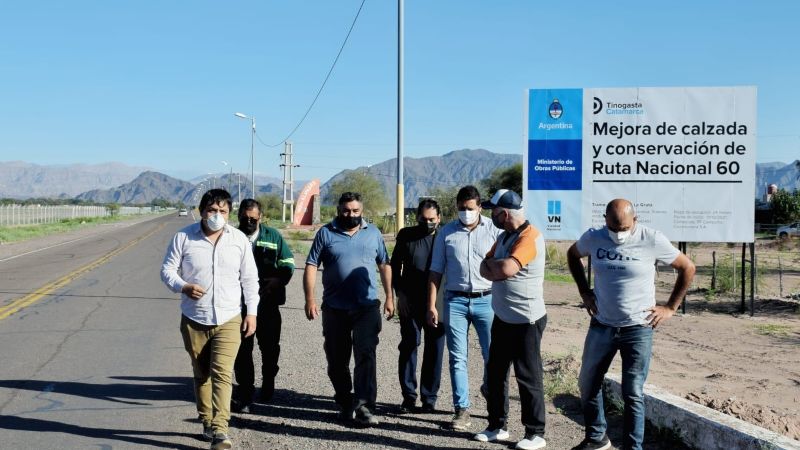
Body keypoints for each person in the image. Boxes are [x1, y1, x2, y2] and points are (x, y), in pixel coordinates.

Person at [566, 199, 695, 450]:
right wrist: (584, 290)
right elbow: (573, 255)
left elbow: (687, 267)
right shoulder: (594, 237)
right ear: (605, 220)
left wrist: (670, 308)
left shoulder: (651, 238)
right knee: (588, 382)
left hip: (638, 327)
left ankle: (633, 447)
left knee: (632, 392)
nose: (618, 234)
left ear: (634, 220)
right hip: (602, 324)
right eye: (613, 228)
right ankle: (596, 438)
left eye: (624, 229)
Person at [160, 188, 259, 450]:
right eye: (212, 210)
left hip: (229, 318)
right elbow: (167, 270)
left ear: (229, 213)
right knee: (201, 373)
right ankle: (206, 419)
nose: (217, 215)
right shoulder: (184, 237)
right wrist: (183, 286)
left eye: (223, 211)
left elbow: (250, 279)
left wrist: (251, 313)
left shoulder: (238, 240)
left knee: (222, 374)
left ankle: (220, 430)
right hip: (194, 318)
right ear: (202, 211)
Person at [303, 192, 395, 427]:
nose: (351, 215)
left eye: (355, 211)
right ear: (338, 210)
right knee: (336, 359)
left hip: (366, 307)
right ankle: (345, 401)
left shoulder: (373, 233)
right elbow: (312, 265)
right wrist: (309, 299)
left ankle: (364, 406)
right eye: (346, 211)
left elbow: (384, 264)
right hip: (334, 308)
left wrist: (389, 297)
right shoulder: (326, 233)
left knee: (365, 355)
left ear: (361, 210)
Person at [475, 189, 548, 450]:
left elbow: (506, 269)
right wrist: (493, 267)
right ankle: (497, 426)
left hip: (526, 320)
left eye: (492, 210)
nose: (489, 215)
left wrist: (495, 267)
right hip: (504, 318)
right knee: (495, 374)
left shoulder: (529, 237)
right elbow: (484, 265)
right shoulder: (505, 236)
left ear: (504, 213)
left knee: (528, 377)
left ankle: (535, 433)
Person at [426, 185, 501, 431]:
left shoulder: (494, 230)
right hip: (455, 301)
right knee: (458, 357)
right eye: (461, 208)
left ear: (480, 207)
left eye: (469, 208)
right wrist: (432, 306)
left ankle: (493, 397)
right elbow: (436, 271)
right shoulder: (447, 233)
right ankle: (462, 410)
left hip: (487, 300)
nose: (465, 213)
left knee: (493, 356)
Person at [231, 198, 295, 413]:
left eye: (253, 218)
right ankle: (245, 392)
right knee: (242, 351)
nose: (249, 221)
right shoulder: (232, 237)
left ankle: (268, 383)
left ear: (261, 217)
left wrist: (279, 280)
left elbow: (288, 263)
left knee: (269, 348)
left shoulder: (273, 236)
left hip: (268, 304)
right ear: (238, 216)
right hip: (239, 305)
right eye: (245, 217)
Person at [391, 198, 445, 414]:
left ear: (439, 218)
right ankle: (409, 396)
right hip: (410, 301)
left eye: (432, 219)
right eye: (423, 219)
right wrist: (399, 294)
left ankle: (429, 398)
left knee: (435, 350)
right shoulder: (406, 236)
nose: (428, 223)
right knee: (409, 345)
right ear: (417, 218)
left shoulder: (445, 237)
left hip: (438, 303)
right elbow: (395, 266)